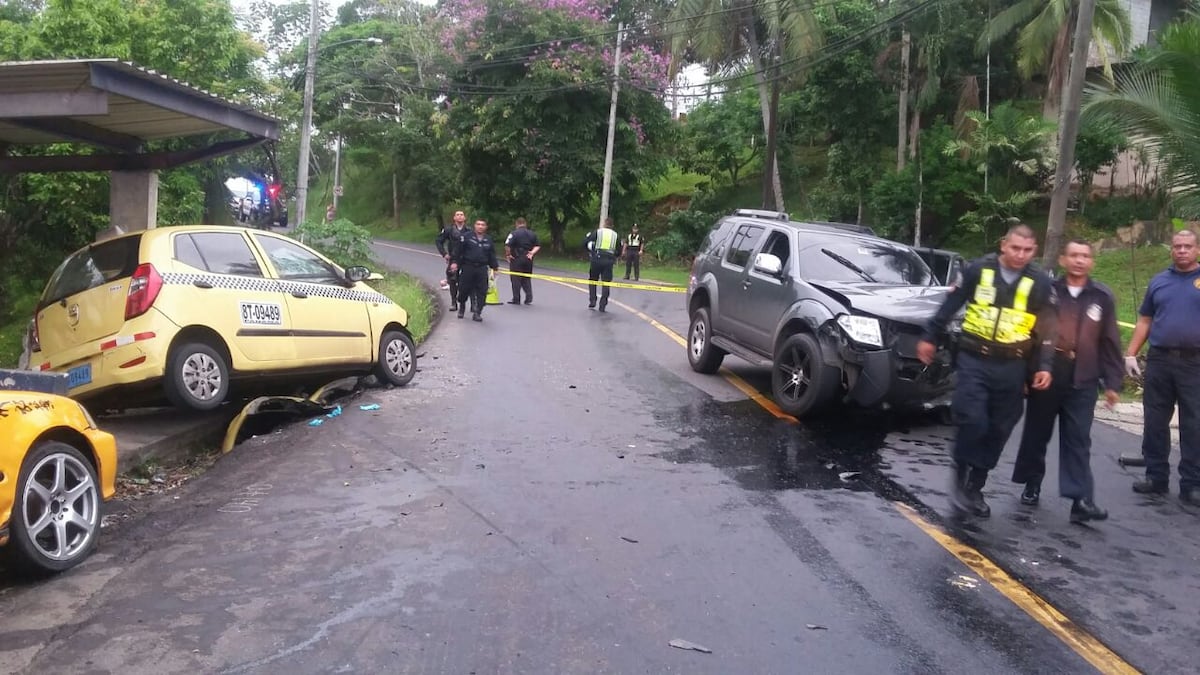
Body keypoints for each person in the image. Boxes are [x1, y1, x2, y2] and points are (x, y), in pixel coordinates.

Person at [917, 224, 1058, 518]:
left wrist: (1044, 365)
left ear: (1034, 251)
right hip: (974, 359)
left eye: (1028, 250)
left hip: (1013, 365)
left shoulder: (1040, 282)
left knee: (999, 428)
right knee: (973, 418)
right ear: (1003, 245)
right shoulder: (979, 270)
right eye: (1015, 248)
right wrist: (930, 336)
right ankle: (960, 469)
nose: (1021, 255)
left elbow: (1047, 330)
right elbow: (952, 303)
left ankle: (975, 485)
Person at [1011, 240, 1122, 523]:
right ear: (1063, 260)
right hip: (1046, 373)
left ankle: (1080, 499)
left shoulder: (1101, 296)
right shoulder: (1049, 293)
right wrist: (1025, 374)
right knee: (1037, 433)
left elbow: (1109, 341)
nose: (1079, 260)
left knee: (1078, 440)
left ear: (1092, 261)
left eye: (1085, 256)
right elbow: (1030, 335)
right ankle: (1032, 483)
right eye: (1073, 255)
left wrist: (1112, 382)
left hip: (1084, 376)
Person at [1124, 229, 1200, 505]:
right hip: (1160, 361)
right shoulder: (1159, 282)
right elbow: (1145, 320)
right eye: (1177, 246)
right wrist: (1130, 353)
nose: (1181, 250)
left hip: (1195, 363)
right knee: (1155, 420)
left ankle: (1192, 484)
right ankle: (1156, 477)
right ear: (1172, 250)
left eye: (1187, 246)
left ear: (1197, 250)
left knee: (1194, 424)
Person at [450, 219, 499, 321]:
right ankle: (462, 307)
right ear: (474, 226)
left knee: (482, 291)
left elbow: (491, 255)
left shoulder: (488, 239)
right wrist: (455, 263)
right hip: (468, 266)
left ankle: (478, 312)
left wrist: (495, 268)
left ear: (486, 227)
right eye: (478, 224)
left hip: (481, 268)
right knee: (463, 289)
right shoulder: (466, 237)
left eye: (482, 225)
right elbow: (458, 251)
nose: (480, 226)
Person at [584, 217, 620, 312]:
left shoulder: (598, 232)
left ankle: (593, 300)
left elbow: (585, 242)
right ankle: (603, 305)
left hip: (597, 258)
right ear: (612, 225)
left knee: (593, 280)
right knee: (606, 283)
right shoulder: (615, 235)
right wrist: (614, 256)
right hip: (608, 260)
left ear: (604, 224)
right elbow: (619, 250)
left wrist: (590, 251)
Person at [436, 211, 470, 312]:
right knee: (452, 280)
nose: (460, 216)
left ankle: (472, 303)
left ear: (465, 218)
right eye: (457, 215)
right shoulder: (449, 230)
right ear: (454, 218)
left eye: (462, 215)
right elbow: (439, 241)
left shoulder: (469, 231)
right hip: (454, 258)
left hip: (467, 259)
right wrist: (444, 254)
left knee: (468, 281)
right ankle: (453, 303)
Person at [504, 217, 541, 305]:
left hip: (517, 257)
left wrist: (508, 255)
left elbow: (507, 245)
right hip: (528, 258)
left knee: (515, 278)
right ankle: (529, 297)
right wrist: (532, 253)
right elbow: (537, 245)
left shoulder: (514, 233)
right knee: (526, 277)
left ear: (517, 224)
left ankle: (516, 299)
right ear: (525, 224)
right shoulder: (532, 233)